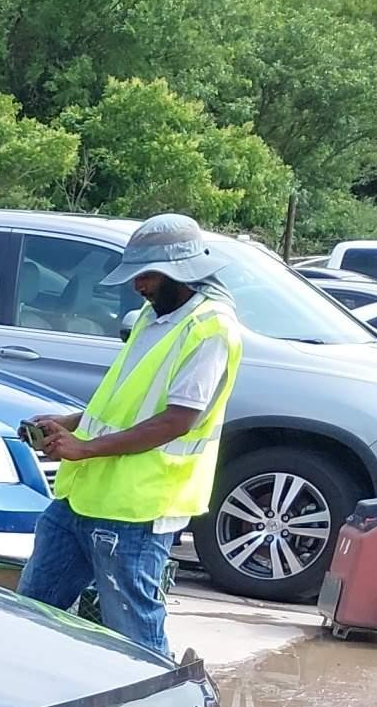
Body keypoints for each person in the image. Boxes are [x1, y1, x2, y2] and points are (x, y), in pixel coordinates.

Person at [19, 213, 244, 656]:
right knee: (33, 610)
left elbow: (177, 420)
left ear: (180, 273)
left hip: (137, 510)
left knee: (135, 636)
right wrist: (72, 422)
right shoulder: (152, 315)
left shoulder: (210, 329)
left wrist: (85, 448)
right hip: (83, 498)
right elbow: (123, 401)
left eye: (147, 276)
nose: (138, 286)